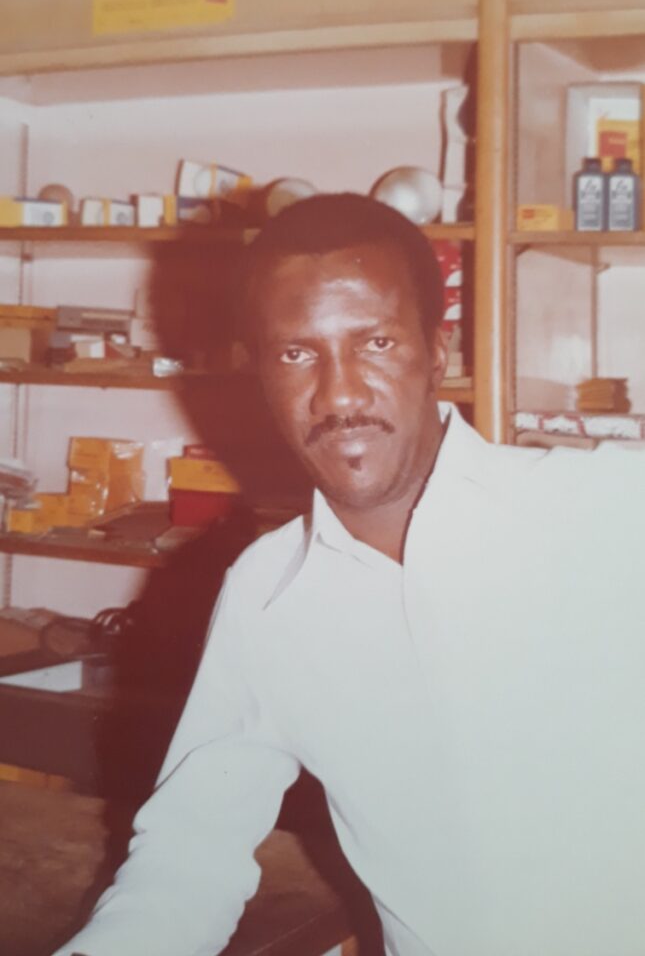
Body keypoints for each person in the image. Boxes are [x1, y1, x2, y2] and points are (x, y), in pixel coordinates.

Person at [54, 193, 645, 956]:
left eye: (374, 343)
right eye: (297, 353)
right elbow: (189, 852)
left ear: (438, 351)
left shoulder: (605, 511)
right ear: (257, 372)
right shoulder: (267, 594)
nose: (337, 394)